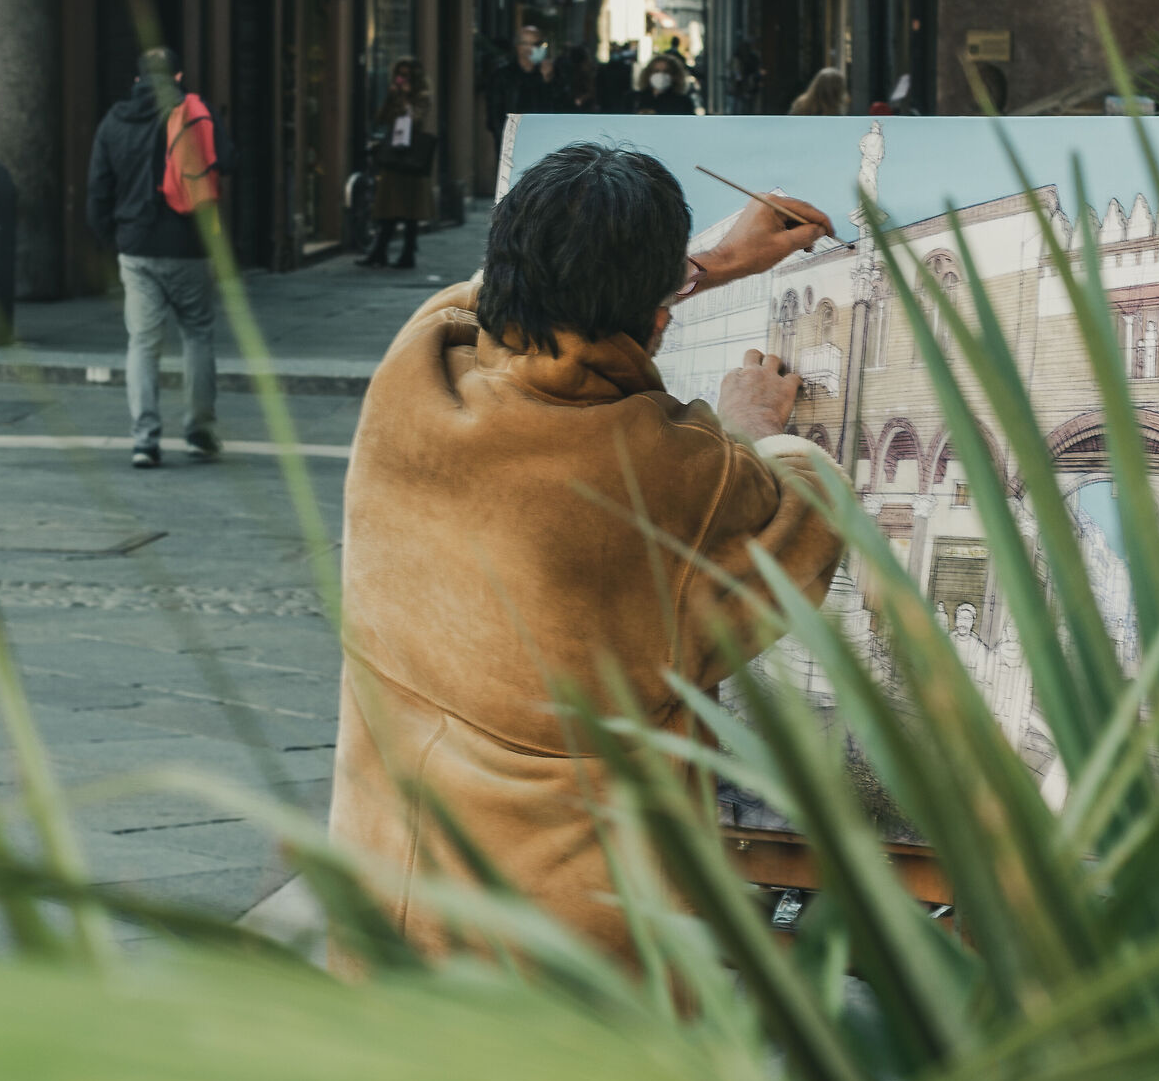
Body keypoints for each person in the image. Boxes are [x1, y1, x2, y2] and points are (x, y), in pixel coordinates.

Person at [329, 143, 841, 966]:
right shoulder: (673, 472)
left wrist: (710, 264)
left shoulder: (416, 368)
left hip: (392, 900)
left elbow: (505, 302)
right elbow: (806, 527)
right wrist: (759, 434)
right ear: (658, 317)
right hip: (568, 951)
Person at [86, 46, 234, 470]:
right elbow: (228, 159)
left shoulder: (114, 121)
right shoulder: (192, 110)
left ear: (136, 80)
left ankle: (145, 440)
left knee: (143, 343)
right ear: (179, 75)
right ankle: (199, 434)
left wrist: (115, 239)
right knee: (198, 335)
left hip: (136, 247)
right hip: (188, 245)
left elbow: (97, 191)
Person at [362, 57, 432, 270]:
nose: (402, 80)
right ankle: (379, 252)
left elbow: (416, 120)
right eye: (399, 75)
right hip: (393, 155)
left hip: (411, 158)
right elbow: (381, 118)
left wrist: (404, 99)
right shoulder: (395, 95)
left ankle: (406, 254)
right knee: (387, 207)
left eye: (406, 76)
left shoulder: (422, 96)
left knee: (410, 210)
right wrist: (392, 97)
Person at [635, 48, 697, 115]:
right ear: (648, 74)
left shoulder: (684, 102)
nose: (661, 75)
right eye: (656, 71)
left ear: (675, 75)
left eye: (666, 71)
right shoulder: (634, 99)